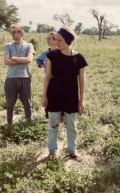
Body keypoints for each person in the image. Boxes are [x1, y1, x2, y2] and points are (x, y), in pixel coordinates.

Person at [41, 27, 88, 161]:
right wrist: (44, 95)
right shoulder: (52, 55)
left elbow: (82, 81)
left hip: (71, 97)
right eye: (56, 39)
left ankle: (72, 151)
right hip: (54, 95)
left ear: (67, 41)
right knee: (53, 124)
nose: (56, 42)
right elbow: (47, 76)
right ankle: (52, 151)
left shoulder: (79, 58)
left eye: (59, 40)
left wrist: (82, 99)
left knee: (72, 125)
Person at [4, 24, 35, 124]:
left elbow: (29, 59)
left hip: (25, 77)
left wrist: (14, 58)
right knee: (10, 103)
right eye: (11, 33)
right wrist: (22, 60)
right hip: (11, 77)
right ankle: (9, 124)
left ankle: (28, 122)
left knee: (27, 102)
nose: (12, 34)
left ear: (21, 33)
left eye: (14, 32)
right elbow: (6, 61)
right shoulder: (8, 45)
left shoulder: (29, 45)